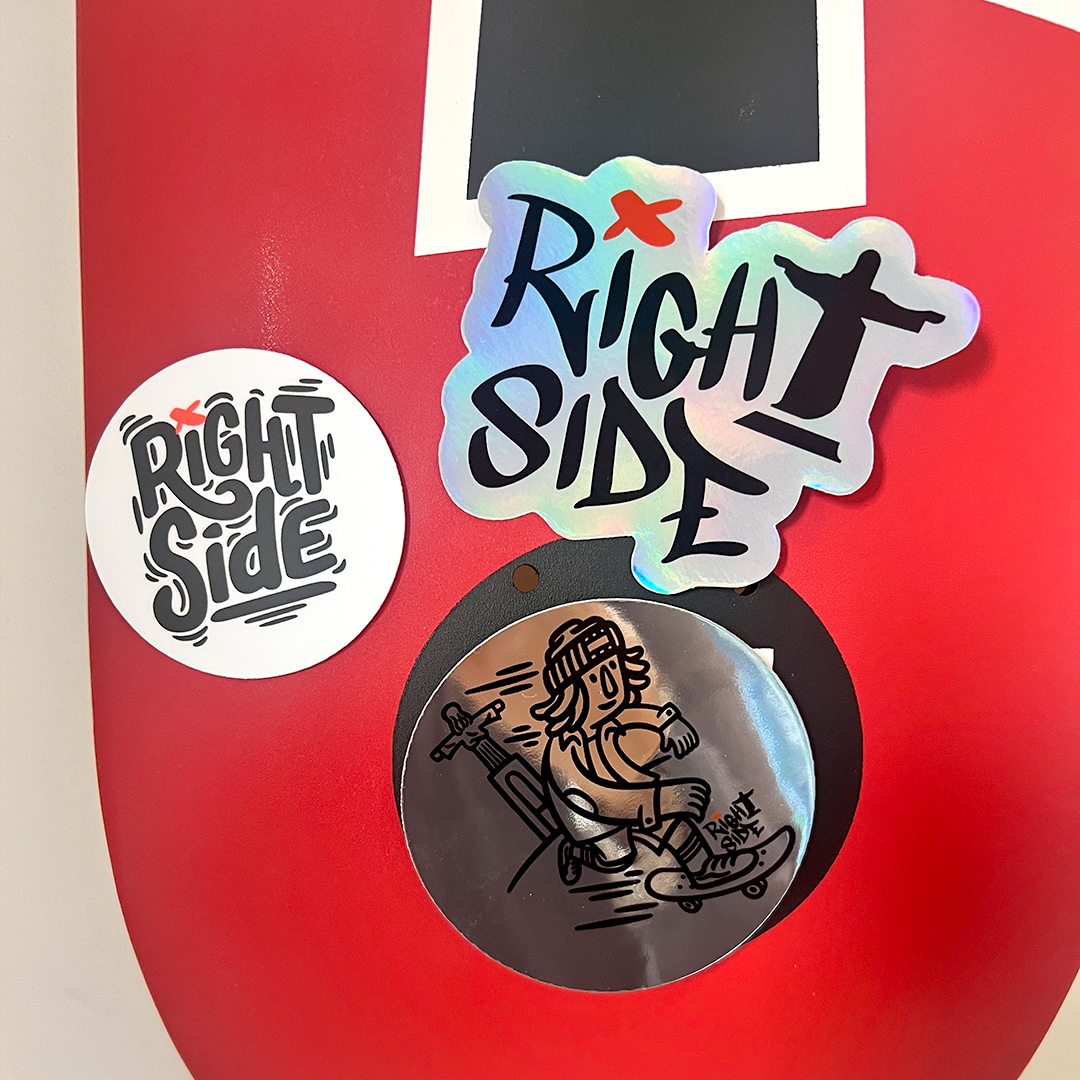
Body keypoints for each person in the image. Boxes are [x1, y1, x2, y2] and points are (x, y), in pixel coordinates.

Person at [530, 615, 756, 886]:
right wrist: (653, 795)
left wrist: (674, 724)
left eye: (612, 668)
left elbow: (658, 718)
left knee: (680, 799)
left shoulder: (613, 720)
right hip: (590, 807)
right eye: (593, 678)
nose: (609, 685)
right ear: (573, 693)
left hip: (622, 793)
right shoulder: (579, 743)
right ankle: (581, 853)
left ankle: (700, 864)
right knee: (671, 807)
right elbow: (600, 789)